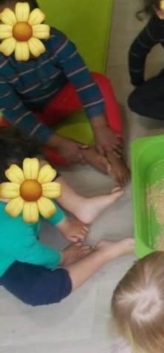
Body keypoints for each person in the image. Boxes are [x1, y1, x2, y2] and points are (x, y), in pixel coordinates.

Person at [0, 0, 130, 185]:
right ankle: (83, 153)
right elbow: (18, 116)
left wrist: (100, 127)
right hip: (30, 114)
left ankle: (111, 149)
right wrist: (60, 143)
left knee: (99, 82)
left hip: (60, 98)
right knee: (7, 142)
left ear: (38, 18)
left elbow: (84, 83)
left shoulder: (55, 41)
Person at [0, 128, 132, 306]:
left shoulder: (16, 195)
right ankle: (107, 252)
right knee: (40, 292)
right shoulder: (11, 227)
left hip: (17, 238)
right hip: (9, 261)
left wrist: (64, 224)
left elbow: (39, 201)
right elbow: (33, 253)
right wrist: (62, 257)